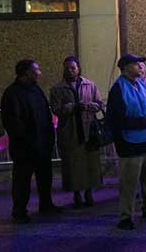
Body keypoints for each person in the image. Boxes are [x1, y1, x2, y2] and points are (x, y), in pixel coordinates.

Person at [107, 54, 146, 230]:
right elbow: (116, 120)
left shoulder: (143, 85)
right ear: (125, 68)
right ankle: (126, 217)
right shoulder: (118, 89)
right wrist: (144, 121)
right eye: (135, 64)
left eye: (140, 64)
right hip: (129, 142)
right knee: (129, 183)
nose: (140, 67)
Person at [0, 60, 62, 224]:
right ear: (27, 72)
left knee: (45, 177)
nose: (40, 72)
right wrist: (26, 140)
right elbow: (12, 122)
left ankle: (46, 204)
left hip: (42, 144)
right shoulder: (12, 93)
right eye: (37, 69)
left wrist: (48, 137)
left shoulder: (36, 90)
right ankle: (19, 211)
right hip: (25, 147)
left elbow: (45, 115)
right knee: (22, 180)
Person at [50, 56, 103, 208]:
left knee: (90, 163)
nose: (70, 70)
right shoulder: (57, 88)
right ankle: (76, 194)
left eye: (73, 68)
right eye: (67, 68)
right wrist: (71, 107)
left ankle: (89, 192)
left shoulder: (89, 84)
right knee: (73, 165)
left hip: (88, 130)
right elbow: (55, 109)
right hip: (70, 131)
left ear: (78, 68)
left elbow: (99, 104)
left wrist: (87, 106)